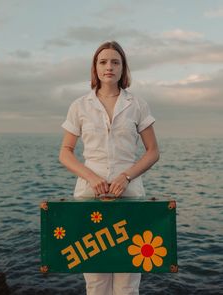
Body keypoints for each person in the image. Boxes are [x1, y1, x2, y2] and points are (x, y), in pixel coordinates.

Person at [59, 41, 159, 295]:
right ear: (95, 67)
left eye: (115, 61)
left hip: (129, 196)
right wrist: (91, 177)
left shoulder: (137, 104)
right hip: (89, 196)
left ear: (123, 67)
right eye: (103, 62)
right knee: (95, 281)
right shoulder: (79, 105)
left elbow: (153, 152)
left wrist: (126, 176)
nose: (109, 67)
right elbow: (65, 152)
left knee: (128, 280)